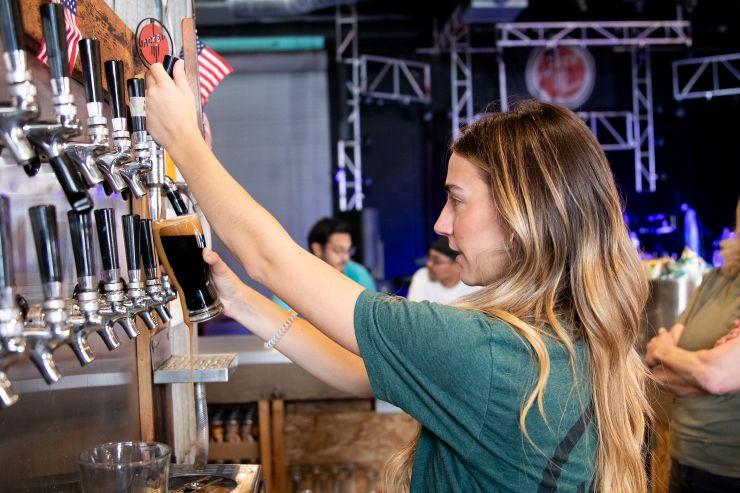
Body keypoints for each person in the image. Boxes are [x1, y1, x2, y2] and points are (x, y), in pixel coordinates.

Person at [146, 61, 650, 492]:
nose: (441, 224)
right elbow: (359, 371)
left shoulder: (492, 353)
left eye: (456, 199)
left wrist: (184, 144)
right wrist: (243, 303)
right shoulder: (562, 336)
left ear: (523, 212)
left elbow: (270, 259)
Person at [646, 199, 740, 492]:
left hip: (730, 468)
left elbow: (714, 376)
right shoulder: (715, 281)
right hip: (685, 457)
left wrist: (668, 352)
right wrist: (704, 366)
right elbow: (656, 369)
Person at [273, 217, 376, 311]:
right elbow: (280, 319)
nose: (346, 258)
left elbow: (372, 316)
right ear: (317, 249)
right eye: (338, 250)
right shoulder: (294, 278)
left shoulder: (359, 273)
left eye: (348, 251)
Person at [407, 236, 479, 304]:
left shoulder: (474, 285)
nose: (429, 264)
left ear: (458, 265)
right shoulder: (422, 275)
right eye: (429, 258)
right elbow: (415, 314)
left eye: (436, 261)